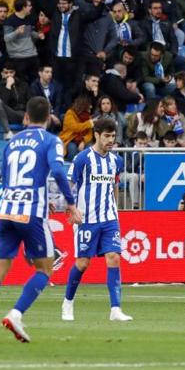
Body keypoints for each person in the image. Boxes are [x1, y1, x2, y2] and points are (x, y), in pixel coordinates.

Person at [0, 97, 82, 344]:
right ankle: (16, 314)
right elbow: (58, 171)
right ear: (49, 118)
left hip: (7, 210)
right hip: (31, 213)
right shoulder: (51, 140)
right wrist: (70, 203)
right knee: (45, 269)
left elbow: (6, 179)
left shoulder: (11, 142)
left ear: (25, 117)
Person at [62, 118, 132, 322]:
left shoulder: (116, 161)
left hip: (110, 218)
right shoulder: (82, 159)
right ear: (97, 135)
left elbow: (115, 186)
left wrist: (116, 209)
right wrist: (72, 209)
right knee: (83, 263)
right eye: (107, 136)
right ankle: (68, 302)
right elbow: (69, 184)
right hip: (87, 219)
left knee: (114, 258)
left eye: (113, 136)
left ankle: (115, 309)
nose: (111, 140)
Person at [4, 0, 42, 84]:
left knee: (35, 82)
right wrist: (17, 32)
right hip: (18, 57)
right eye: (29, 6)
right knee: (21, 83)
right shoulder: (10, 21)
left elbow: (30, 33)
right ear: (23, 7)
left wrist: (38, 35)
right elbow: (6, 38)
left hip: (32, 55)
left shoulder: (29, 19)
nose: (31, 7)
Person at [0, 62, 31, 140]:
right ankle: (8, 132)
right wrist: (8, 87)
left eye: (11, 72)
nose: (9, 75)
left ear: (14, 73)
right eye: (6, 73)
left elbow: (30, 101)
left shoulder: (24, 85)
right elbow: (1, 105)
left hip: (23, 114)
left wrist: (28, 114)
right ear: (2, 74)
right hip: (8, 114)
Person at [59, 95, 94, 160]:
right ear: (83, 105)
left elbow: (90, 134)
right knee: (72, 149)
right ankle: (71, 167)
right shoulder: (70, 113)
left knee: (89, 148)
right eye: (89, 105)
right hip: (70, 139)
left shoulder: (88, 116)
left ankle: (86, 167)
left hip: (83, 140)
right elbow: (75, 127)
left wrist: (83, 141)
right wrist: (89, 123)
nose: (91, 107)